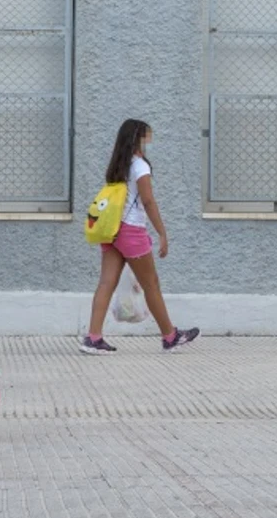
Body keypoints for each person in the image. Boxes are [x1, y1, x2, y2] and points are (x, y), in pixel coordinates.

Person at [80, 120, 199, 354]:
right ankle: (170, 336)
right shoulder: (140, 166)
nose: (150, 142)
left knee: (106, 283)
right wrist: (162, 232)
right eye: (148, 137)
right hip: (132, 230)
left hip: (112, 230)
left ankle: (93, 338)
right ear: (138, 139)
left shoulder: (118, 165)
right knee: (151, 284)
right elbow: (148, 201)